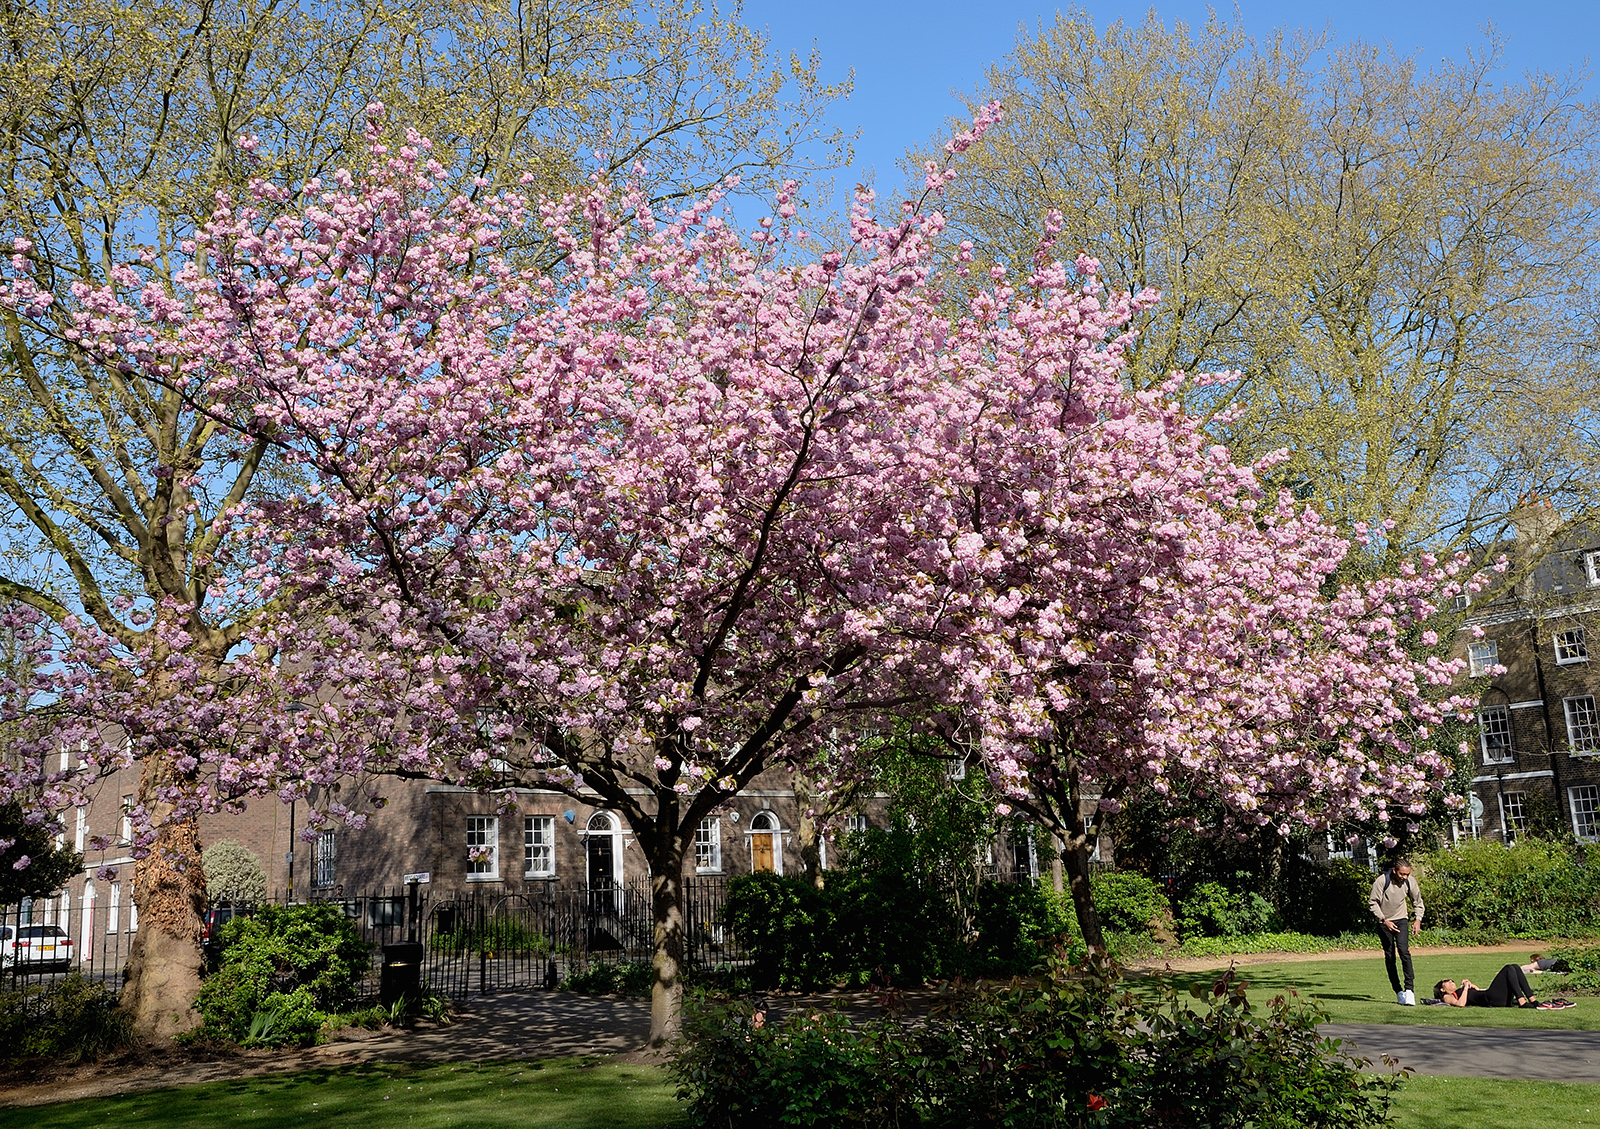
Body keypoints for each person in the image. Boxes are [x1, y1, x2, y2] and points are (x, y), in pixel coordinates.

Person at [1369, 857, 1424, 1005]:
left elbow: (1417, 902)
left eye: (1407, 874)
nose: (1404, 877)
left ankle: (1409, 990)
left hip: (1401, 920)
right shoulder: (1381, 881)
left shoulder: (1409, 881)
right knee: (1390, 956)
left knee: (1404, 951)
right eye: (1402, 874)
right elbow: (1372, 902)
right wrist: (1383, 920)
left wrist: (1417, 919)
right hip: (1384, 921)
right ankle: (1398, 992)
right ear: (1394, 871)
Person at [1434, 964, 1562, 1008]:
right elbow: (1460, 1004)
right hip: (1491, 999)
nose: (1451, 981)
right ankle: (1522, 1001)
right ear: (1442, 988)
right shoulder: (1447, 997)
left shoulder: (1460, 990)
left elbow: (1478, 994)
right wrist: (1466, 989)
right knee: (1507, 969)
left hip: (1492, 997)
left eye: (1451, 980)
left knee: (1515, 967)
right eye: (1447, 981)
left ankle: (1532, 999)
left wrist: (1472, 986)